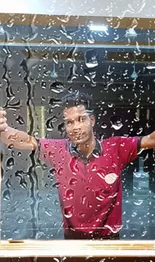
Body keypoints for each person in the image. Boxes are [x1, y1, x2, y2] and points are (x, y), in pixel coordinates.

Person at [0, 93, 154, 240]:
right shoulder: (58, 150)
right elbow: (24, 141)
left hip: (110, 241)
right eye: (69, 122)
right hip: (72, 243)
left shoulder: (116, 148)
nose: (75, 127)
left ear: (92, 120)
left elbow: (149, 139)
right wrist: (2, 129)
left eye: (81, 119)